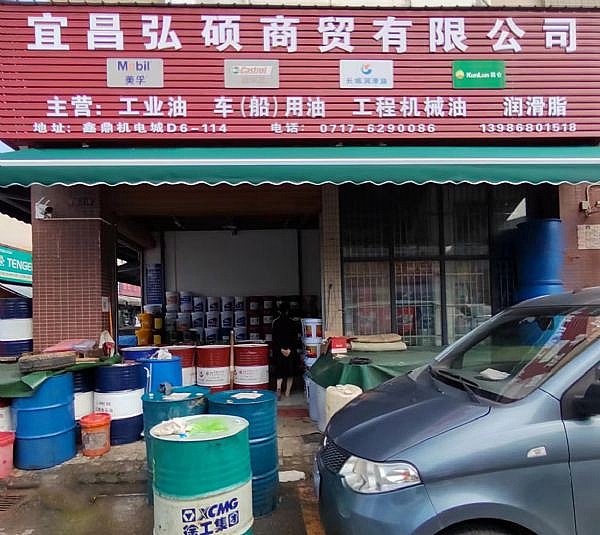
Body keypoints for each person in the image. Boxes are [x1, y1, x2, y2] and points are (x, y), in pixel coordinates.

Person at [272, 301, 300, 400]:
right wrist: (290, 349)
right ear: (288, 311)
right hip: (290, 351)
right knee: (290, 373)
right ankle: (287, 392)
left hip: (279, 351)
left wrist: (280, 349)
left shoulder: (275, 322)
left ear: (279, 311)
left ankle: (278, 389)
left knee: (279, 372)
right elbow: (295, 338)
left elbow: (274, 339)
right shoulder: (292, 323)